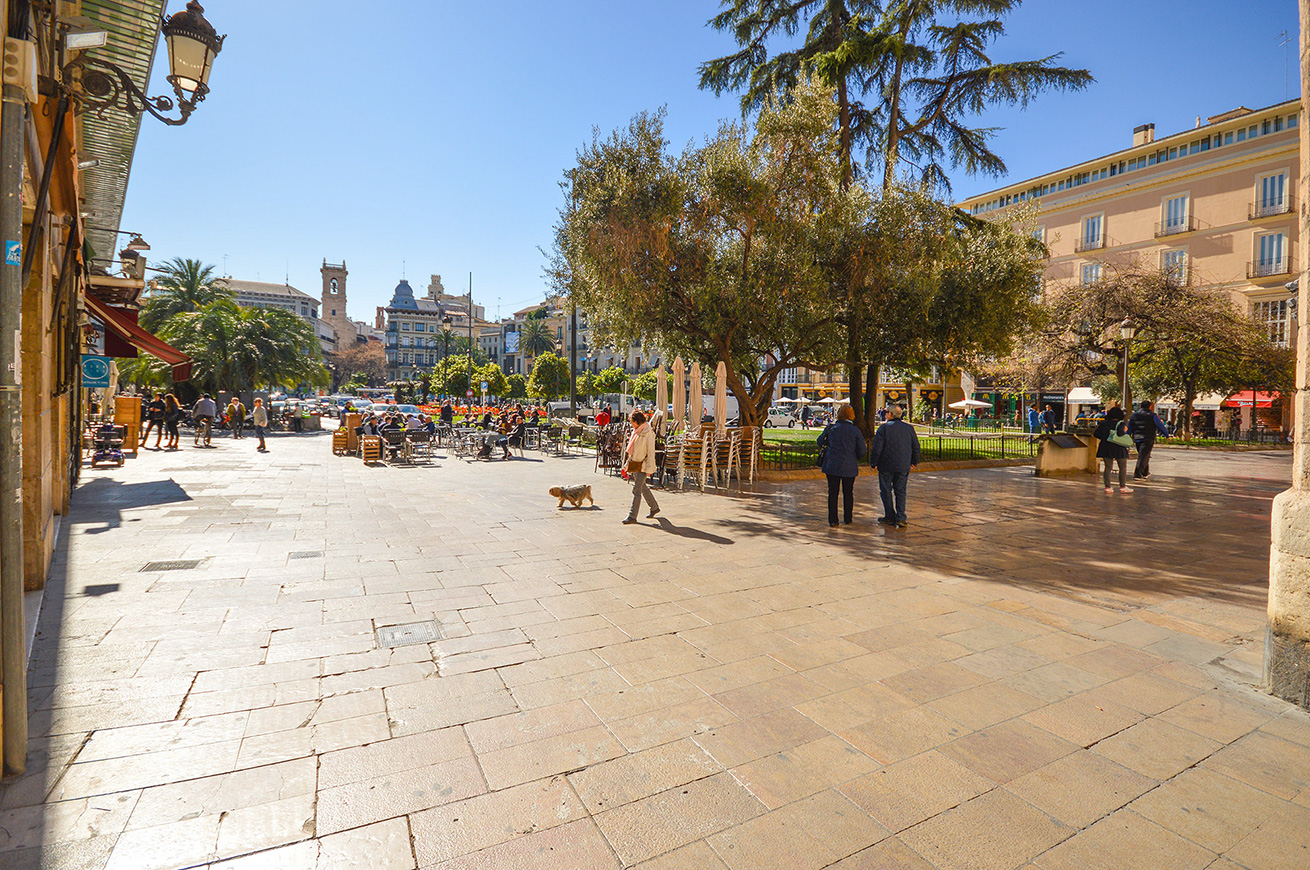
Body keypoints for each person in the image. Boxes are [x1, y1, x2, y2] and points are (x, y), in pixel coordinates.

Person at [870, 402, 921, 528]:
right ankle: (901, 517)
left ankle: (890, 515)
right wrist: (914, 461)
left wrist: (874, 462)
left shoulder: (884, 428)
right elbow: (916, 447)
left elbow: (877, 448)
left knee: (886, 491)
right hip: (903, 464)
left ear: (890, 414)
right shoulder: (909, 428)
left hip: (886, 465)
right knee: (901, 491)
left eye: (887, 412)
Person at [817, 403, 866, 528]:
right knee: (848, 492)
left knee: (832, 493)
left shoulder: (831, 428)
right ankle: (848, 518)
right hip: (849, 466)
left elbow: (820, 441)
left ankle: (833, 519)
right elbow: (861, 451)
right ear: (852, 415)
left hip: (832, 464)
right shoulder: (855, 431)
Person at [622, 410, 660, 524]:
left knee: (636, 490)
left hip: (643, 465)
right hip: (635, 463)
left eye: (632, 421)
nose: (631, 424)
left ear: (637, 421)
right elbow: (633, 450)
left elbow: (650, 452)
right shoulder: (637, 431)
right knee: (642, 487)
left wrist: (649, 469)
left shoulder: (648, 432)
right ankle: (654, 507)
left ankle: (632, 516)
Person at [1093, 407, 1132, 494]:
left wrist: (1105, 437)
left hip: (1105, 447)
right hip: (1118, 447)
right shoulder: (1120, 424)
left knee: (1108, 467)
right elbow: (1120, 433)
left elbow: (1096, 434)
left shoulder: (1104, 423)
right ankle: (1122, 486)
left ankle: (1108, 487)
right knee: (1122, 467)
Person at [1129, 400, 1169, 480]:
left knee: (1143, 455)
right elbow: (1160, 426)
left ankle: (1145, 472)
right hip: (1148, 437)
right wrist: (1166, 434)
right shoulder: (1152, 415)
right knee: (1143, 456)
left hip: (1137, 437)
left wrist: (1128, 434)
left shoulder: (1134, 415)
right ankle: (1138, 474)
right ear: (1150, 406)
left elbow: (1130, 426)